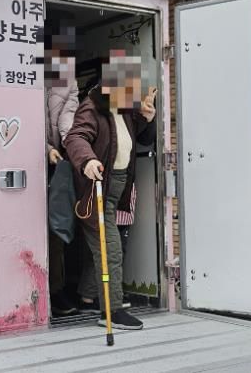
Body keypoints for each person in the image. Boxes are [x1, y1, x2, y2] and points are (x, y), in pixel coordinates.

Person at [65, 51, 157, 330]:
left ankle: (90, 297)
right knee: (110, 250)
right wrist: (87, 160)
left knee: (104, 247)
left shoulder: (123, 109)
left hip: (118, 189)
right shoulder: (92, 106)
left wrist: (146, 118)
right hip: (97, 190)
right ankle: (111, 311)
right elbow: (76, 137)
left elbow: (128, 138)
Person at [45, 22, 80, 316]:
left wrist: (72, 146)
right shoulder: (23, 73)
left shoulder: (70, 82)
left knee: (58, 227)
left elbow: (67, 119)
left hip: (56, 164)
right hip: (25, 154)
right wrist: (44, 147)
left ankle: (55, 291)